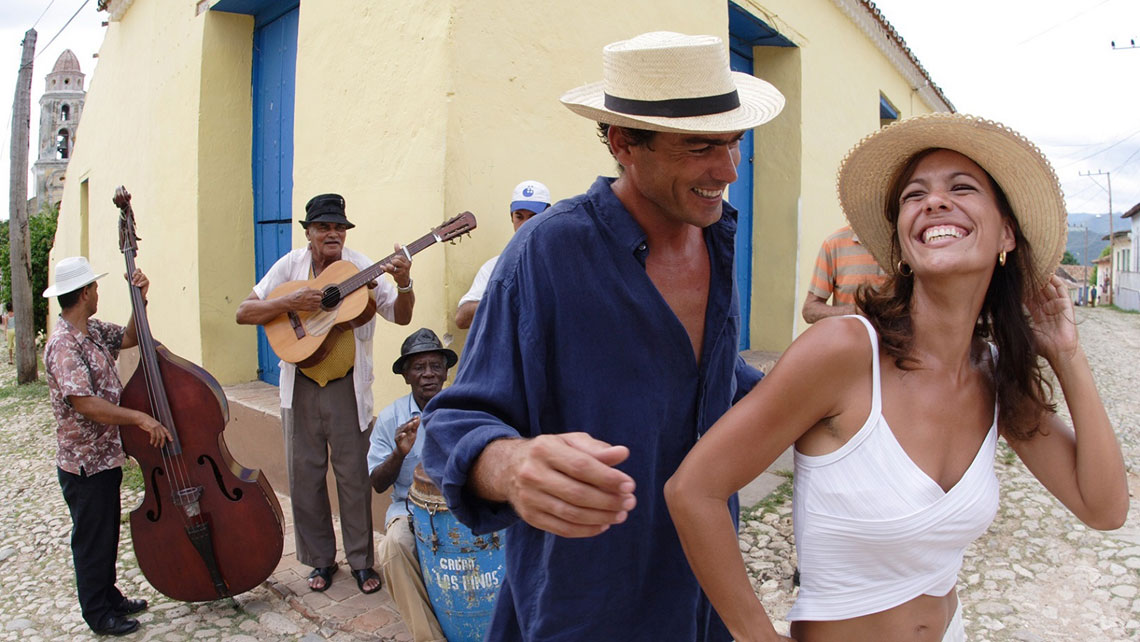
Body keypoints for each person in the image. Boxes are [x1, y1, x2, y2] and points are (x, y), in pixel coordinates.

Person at [665, 113, 1129, 642]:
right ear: (903, 242)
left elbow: (1105, 508)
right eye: (915, 195)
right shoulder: (846, 352)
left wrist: (1067, 355)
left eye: (962, 187)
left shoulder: (994, 376)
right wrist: (756, 636)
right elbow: (693, 490)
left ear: (1006, 233)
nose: (933, 202)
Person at [421, 31, 786, 640]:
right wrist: (510, 466)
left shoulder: (717, 238)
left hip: (706, 588)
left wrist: (819, 396)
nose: (728, 170)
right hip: (586, 601)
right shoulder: (544, 254)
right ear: (624, 143)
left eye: (734, 143)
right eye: (700, 146)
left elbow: (709, 377)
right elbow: (453, 422)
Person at [235, 193, 414, 594]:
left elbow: (401, 317)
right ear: (309, 233)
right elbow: (244, 311)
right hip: (299, 385)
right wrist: (290, 300)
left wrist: (404, 283)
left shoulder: (363, 267)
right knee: (305, 477)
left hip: (346, 388)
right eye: (323, 227)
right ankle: (320, 561)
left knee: (353, 478)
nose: (332, 233)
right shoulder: (290, 266)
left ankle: (362, 562)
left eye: (339, 227)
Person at [42, 256, 173, 636]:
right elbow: (84, 403)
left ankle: (109, 595)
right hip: (84, 464)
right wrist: (139, 418)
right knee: (91, 538)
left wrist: (140, 300)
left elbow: (131, 338)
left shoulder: (94, 331)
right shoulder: (63, 345)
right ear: (85, 293)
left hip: (105, 456)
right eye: (95, 287)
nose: (98, 292)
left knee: (105, 534)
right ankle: (98, 614)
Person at [367, 328, 458, 642]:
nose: (428, 374)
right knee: (394, 545)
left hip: (462, 505)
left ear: (446, 372)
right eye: (419, 368)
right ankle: (430, 637)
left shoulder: (465, 408)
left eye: (435, 366)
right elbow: (377, 483)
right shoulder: (392, 418)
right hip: (410, 507)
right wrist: (399, 452)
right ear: (406, 375)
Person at [455, 180, 551, 330]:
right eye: (519, 217)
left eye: (533, 217)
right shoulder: (495, 266)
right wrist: (509, 299)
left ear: (547, 217)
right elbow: (462, 318)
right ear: (511, 217)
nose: (525, 225)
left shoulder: (560, 262)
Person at [801, 225, 886, 323]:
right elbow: (810, 310)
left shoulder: (903, 243)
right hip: (849, 336)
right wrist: (854, 312)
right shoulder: (834, 244)